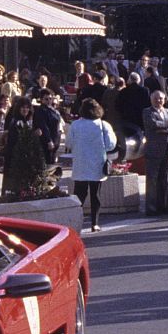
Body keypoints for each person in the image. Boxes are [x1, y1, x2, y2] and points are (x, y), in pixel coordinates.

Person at [67, 97, 118, 233]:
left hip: (80, 164)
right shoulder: (103, 125)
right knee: (95, 195)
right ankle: (94, 223)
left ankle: (75, 222)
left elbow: (69, 143)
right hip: (97, 163)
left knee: (79, 195)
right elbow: (111, 144)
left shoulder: (75, 125)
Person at [141, 88, 168, 215]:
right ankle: (151, 208)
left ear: (164, 100)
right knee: (152, 180)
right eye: (156, 98)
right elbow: (153, 125)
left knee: (163, 179)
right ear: (151, 99)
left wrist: (166, 129)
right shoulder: (147, 112)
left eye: (161, 99)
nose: (158, 101)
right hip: (154, 150)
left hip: (167, 149)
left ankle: (162, 206)